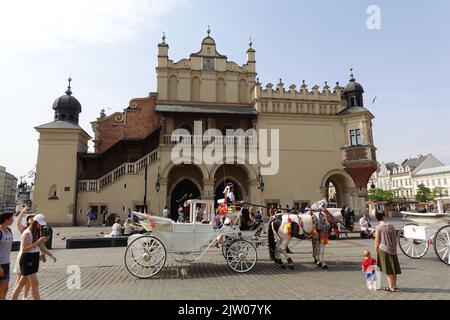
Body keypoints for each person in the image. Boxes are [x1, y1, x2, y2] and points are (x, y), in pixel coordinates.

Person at [11, 214, 57, 300]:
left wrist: (50, 255)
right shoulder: (27, 233)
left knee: (21, 283)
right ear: (35, 223)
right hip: (27, 258)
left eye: (42, 225)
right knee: (35, 283)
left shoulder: (36, 232)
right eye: (40, 224)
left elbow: (41, 246)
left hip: (34, 257)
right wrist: (38, 242)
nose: (41, 226)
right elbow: (24, 249)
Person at [11, 206, 36, 300]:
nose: (32, 219)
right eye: (30, 218)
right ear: (28, 220)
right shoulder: (25, 230)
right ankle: (14, 297)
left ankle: (25, 297)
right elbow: (18, 223)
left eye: (34, 218)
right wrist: (22, 212)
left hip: (31, 257)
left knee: (29, 280)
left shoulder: (36, 232)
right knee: (20, 279)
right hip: (23, 256)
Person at [374, 211, 401, 292]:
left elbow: (377, 241)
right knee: (394, 269)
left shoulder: (378, 227)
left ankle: (390, 287)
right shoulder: (391, 225)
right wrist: (394, 247)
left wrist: (376, 249)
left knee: (388, 269)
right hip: (393, 249)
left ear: (377, 218)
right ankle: (394, 285)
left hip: (384, 249)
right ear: (383, 217)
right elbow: (395, 238)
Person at [0, 211, 14, 300]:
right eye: (12, 218)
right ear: (6, 220)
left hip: (6, 264)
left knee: (4, 288)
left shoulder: (8, 230)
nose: (13, 220)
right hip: (0, 265)